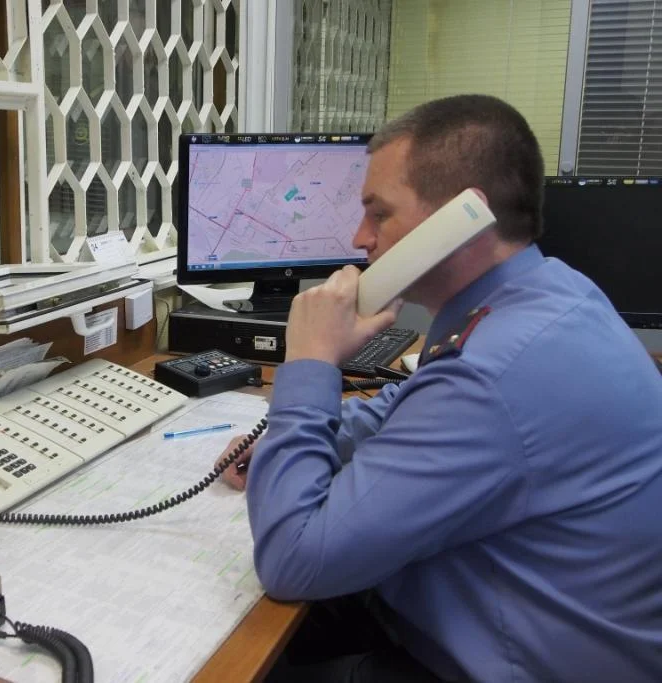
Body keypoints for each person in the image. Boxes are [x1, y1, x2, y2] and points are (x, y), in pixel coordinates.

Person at [216, 94, 662, 682]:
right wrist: (304, 437)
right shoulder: (549, 293)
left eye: (378, 214)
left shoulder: (496, 373)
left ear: (461, 220)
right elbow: (416, 401)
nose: (359, 237)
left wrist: (310, 360)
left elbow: (292, 561)